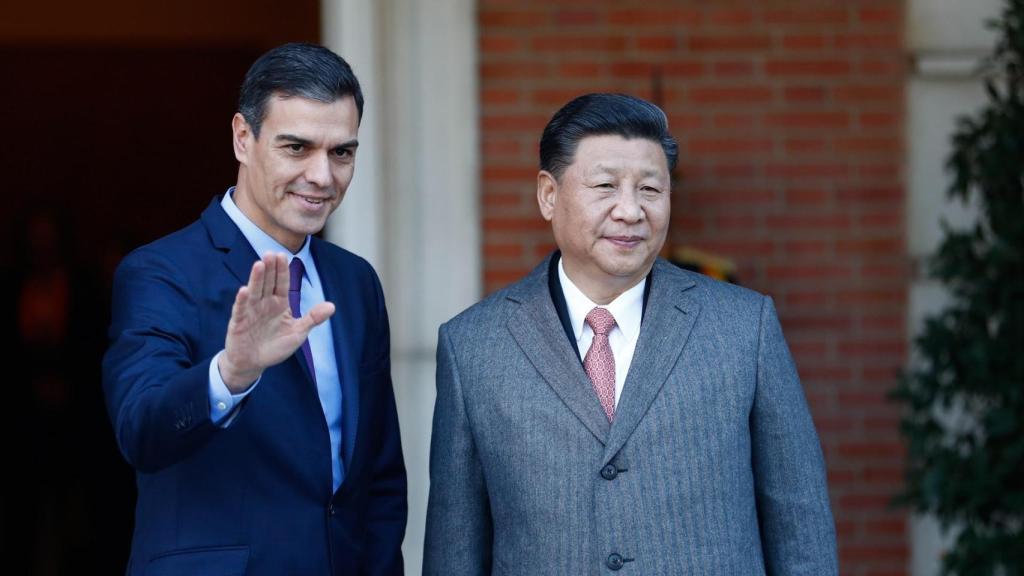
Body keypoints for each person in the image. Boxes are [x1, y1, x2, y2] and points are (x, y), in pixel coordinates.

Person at [423, 93, 837, 574]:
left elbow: (800, 524)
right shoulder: (475, 346)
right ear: (548, 195)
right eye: (605, 186)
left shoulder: (743, 327)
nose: (630, 211)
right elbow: (456, 548)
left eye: (650, 190)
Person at [103, 43, 406, 575]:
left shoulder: (355, 282)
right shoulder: (161, 272)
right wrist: (231, 372)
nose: (323, 176)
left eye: (342, 152)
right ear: (244, 138)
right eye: (297, 148)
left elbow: (378, 476)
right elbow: (141, 431)